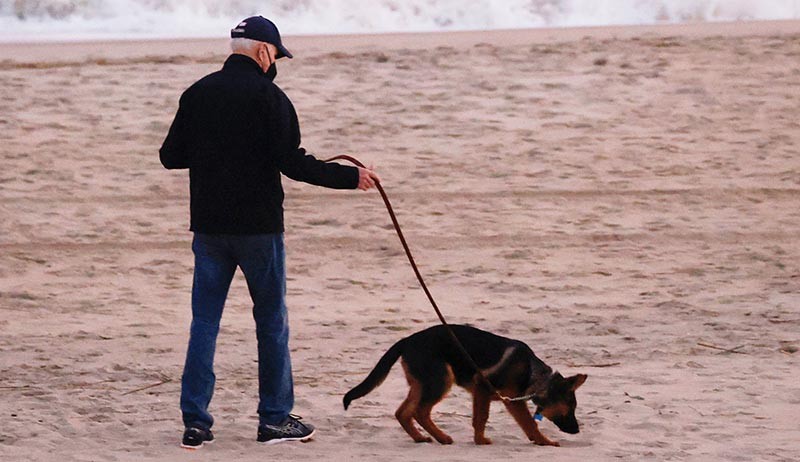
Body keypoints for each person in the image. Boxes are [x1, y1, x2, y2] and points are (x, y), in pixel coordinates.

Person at [159, 15, 380, 449]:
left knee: (204, 323)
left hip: (208, 226)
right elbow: (292, 163)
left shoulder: (198, 92)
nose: (275, 62)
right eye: (276, 55)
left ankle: (196, 423)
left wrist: (215, 151)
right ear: (263, 51)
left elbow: (171, 156)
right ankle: (274, 419)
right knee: (271, 324)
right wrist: (350, 178)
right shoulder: (270, 97)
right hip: (259, 229)